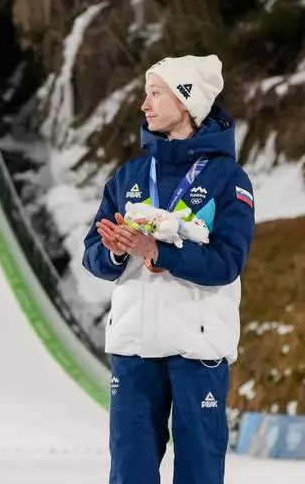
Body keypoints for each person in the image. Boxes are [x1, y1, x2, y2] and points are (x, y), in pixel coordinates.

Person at [82, 54, 256, 484]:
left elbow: (226, 262)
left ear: (187, 101)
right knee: (129, 471)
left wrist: (159, 252)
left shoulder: (228, 179)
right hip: (134, 347)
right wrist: (117, 251)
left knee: (198, 472)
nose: (145, 104)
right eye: (146, 92)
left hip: (197, 349)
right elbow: (93, 255)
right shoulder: (129, 176)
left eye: (155, 92)